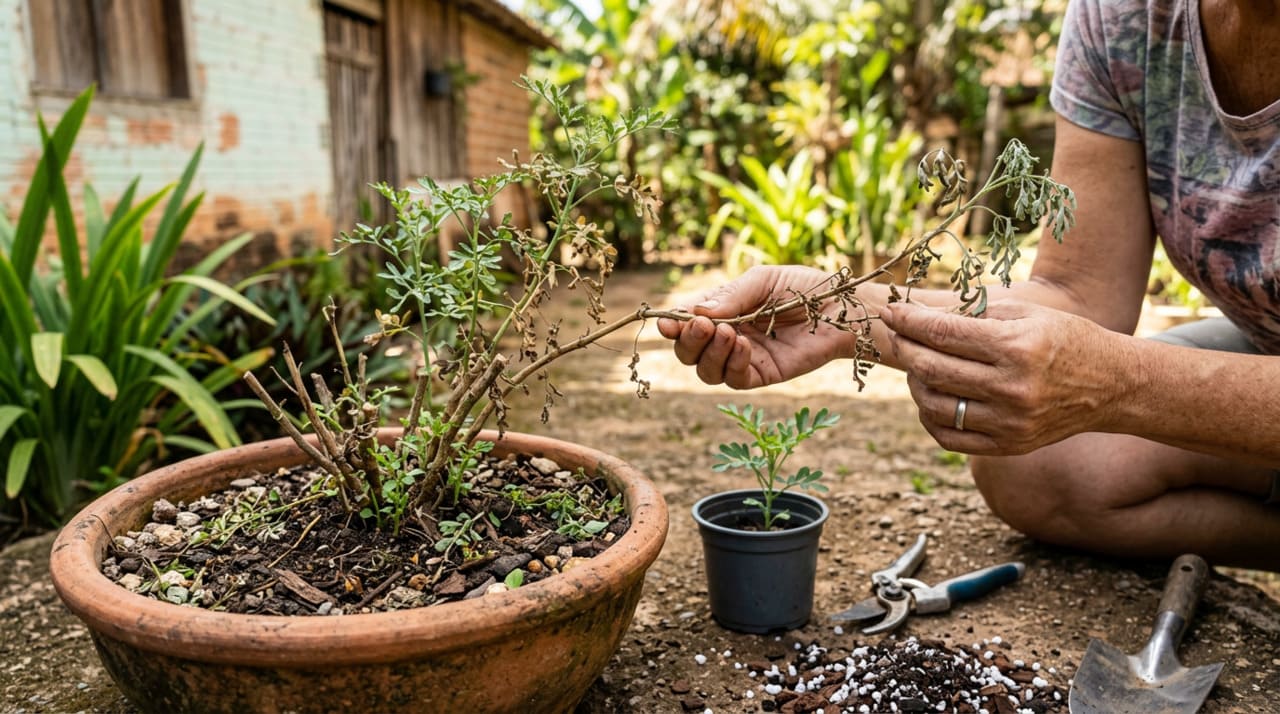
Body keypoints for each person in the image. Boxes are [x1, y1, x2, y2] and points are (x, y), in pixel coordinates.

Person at [658, 0, 1280, 571]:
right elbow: (1080, 295)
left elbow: (1107, 361)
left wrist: (1119, 383)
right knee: (1040, 468)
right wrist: (845, 311)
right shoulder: (1123, 19)